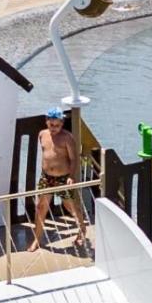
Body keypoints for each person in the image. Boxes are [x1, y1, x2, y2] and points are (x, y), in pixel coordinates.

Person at [30, 107, 89, 255]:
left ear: (62, 124)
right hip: (46, 177)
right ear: (47, 122)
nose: (54, 128)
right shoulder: (42, 135)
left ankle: (82, 229)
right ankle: (37, 239)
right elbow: (47, 154)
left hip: (63, 177)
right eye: (51, 125)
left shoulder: (67, 138)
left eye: (57, 125)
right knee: (41, 207)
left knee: (70, 206)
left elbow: (74, 159)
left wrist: (71, 176)